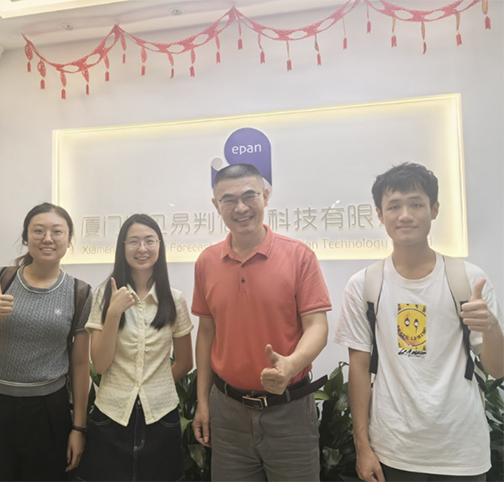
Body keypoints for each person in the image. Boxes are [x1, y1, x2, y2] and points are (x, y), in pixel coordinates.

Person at [334, 162, 504, 482]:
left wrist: (491, 327)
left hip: (461, 451)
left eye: (416, 204)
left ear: (434, 209)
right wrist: (362, 446)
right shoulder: (364, 285)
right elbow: (359, 367)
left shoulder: (468, 280)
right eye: (393, 206)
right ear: (380, 214)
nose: (405, 215)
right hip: (393, 450)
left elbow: (498, 368)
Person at [192, 163, 332, 481]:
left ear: (265, 196)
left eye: (249, 196)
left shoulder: (299, 256)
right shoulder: (206, 262)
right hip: (228, 413)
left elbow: (317, 326)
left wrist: (291, 364)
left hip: (290, 412)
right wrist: (202, 402)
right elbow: (207, 332)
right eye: (229, 199)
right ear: (216, 205)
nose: (240, 207)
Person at [0, 202, 91, 481]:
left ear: (69, 239)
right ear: (25, 237)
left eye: (57, 231)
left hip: (49, 411)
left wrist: (78, 428)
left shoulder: (79, 292)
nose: (47, 238)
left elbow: (81, 365)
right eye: (38, 230)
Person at [77, 214, 193, 482]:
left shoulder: (174, 299)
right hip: (111, 416)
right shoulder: (104, 294)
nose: (142, 248)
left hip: (161, 417)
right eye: (134, 241)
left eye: (150, 241)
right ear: (123, 247)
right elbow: (100, 365)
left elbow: (186, 362)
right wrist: (114, 313)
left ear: (159, 245)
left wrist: (153, 385)